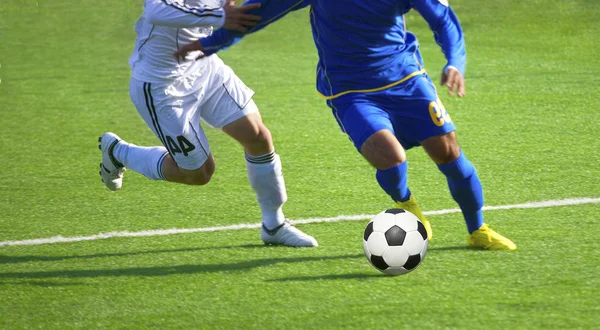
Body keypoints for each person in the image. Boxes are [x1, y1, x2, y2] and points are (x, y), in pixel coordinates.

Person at [174, 0, 517, 250]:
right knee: (389, 156)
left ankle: (478, 230)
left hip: (408, 80)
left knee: (448, 153)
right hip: (351, 91)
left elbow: (443, 20)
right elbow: (259, 13)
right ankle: (407, 205)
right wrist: (208, 44)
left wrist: (455, 62)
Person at [98, 0, 317, 247]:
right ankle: (119, 152)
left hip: (204, 67)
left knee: (258, 137)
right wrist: (220, 14)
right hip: (162, 87)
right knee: (198, 173)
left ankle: (274, 225)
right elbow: (155, 9)